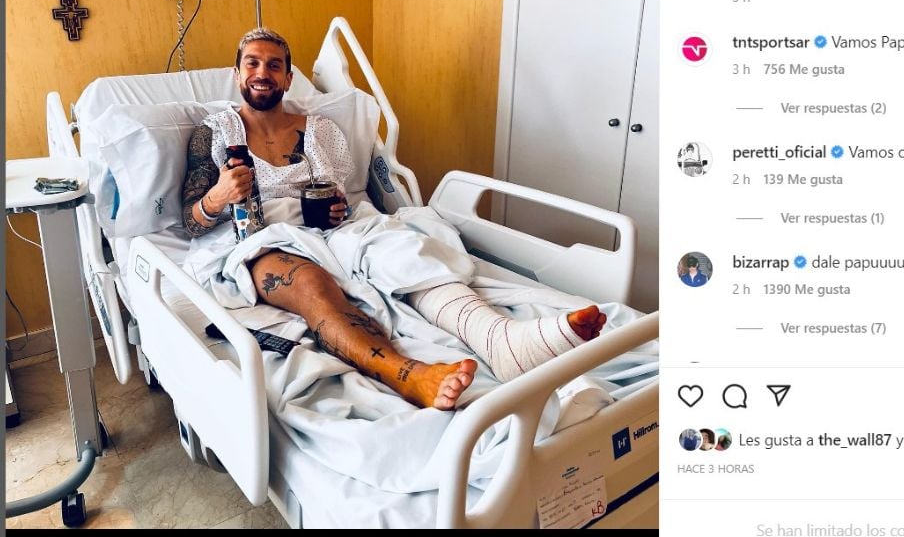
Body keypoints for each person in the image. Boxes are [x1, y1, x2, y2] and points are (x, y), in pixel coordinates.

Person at [181, 28, 606, 410]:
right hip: (263, 240)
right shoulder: (216, 133)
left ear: (288, 78)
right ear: (237, 74)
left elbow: (344, 194)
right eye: (252, 63)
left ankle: (499, 337)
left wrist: (338, 208)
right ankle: (408, 375)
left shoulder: (320, 129)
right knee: (311, 284)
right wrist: (218, 196)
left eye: (274, 65)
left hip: (336, 230)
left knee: (407, 251)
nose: (262, 73)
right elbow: (191, 222)